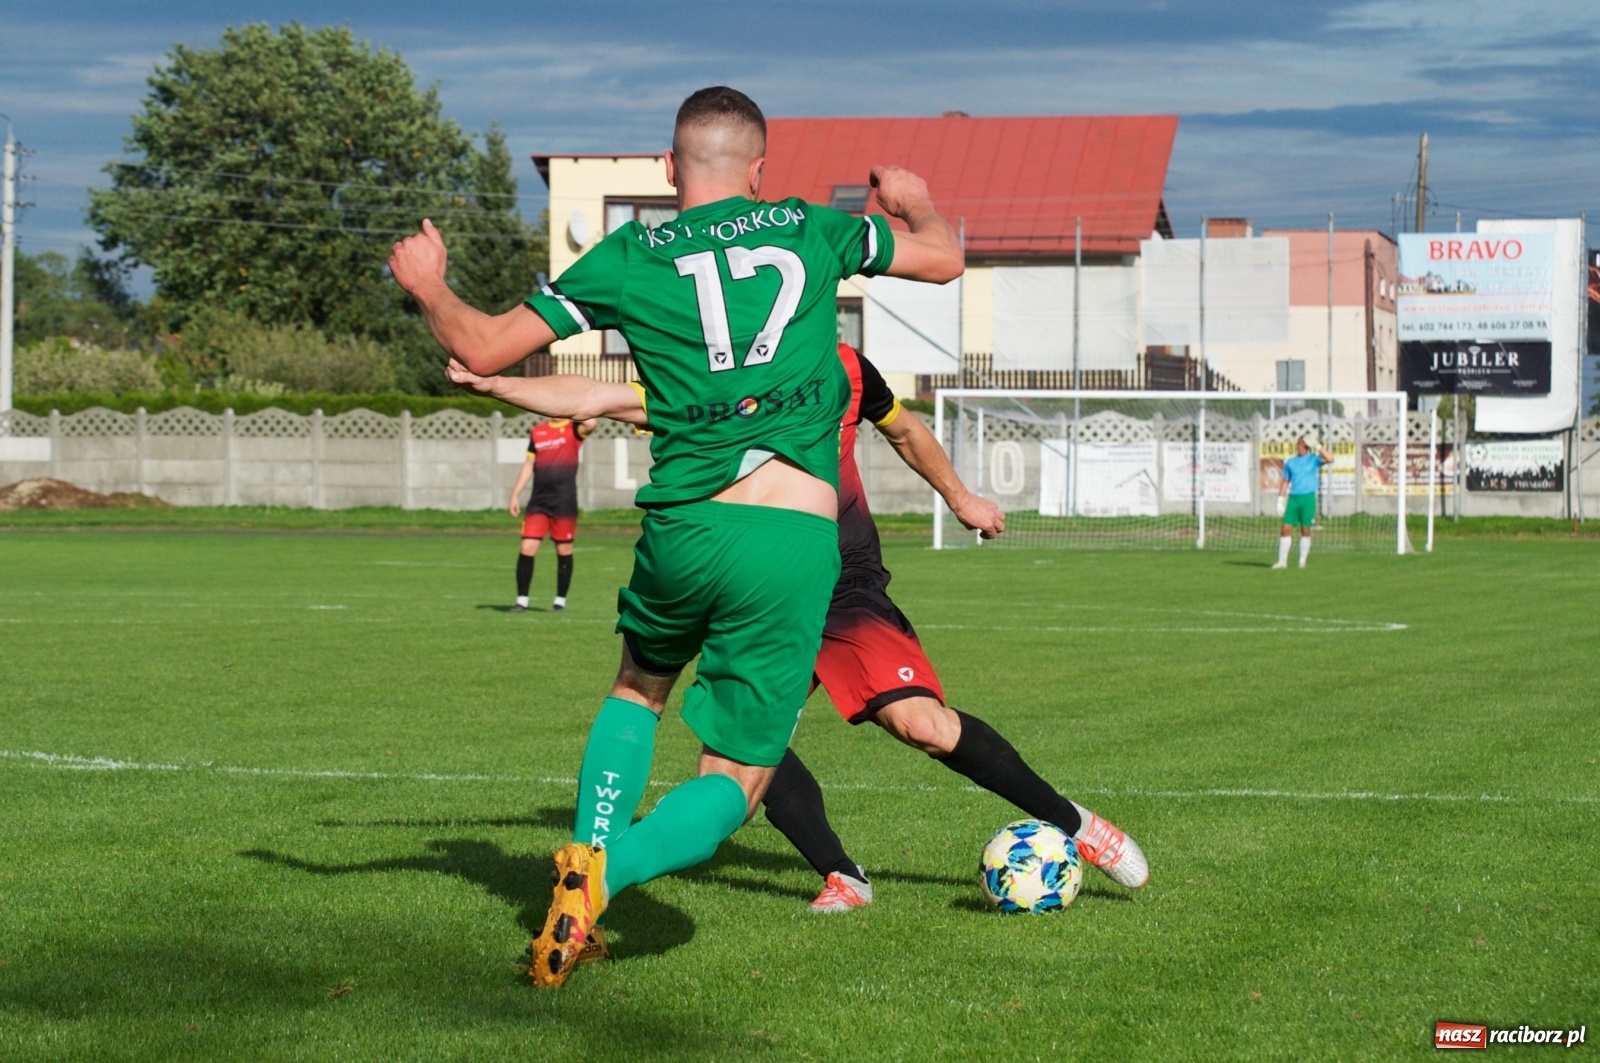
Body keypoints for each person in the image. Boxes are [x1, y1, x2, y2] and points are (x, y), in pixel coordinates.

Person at [389, 85, 963, 988]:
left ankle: (578, 881)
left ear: (668, 169)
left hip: (685, 523)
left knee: (637, 688)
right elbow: (942, 260)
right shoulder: (814, 229)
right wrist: (912, 200)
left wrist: (428, 285)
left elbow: (487, 345)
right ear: (760, 169)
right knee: (739, 773)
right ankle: (608, 875)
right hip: (792, 537)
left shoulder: (628, 254)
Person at [508, 417, 597, 612]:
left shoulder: (573, 428)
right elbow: (529, 464)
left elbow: (591, 423)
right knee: (527, 547)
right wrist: (515, 494)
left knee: (563, 550)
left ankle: (560, 600)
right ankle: (522, 600)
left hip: (563, 502)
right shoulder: (538, 431)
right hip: (538, 501)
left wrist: (575, 406)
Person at [1274, 435, 1333, 569]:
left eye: (1304, 445)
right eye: (1299, 445)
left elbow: (1330, 459)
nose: (1301, 447)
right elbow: (1285, 481)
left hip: (1308, 498)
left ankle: (1302, 561)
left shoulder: (1313, 460)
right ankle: (1282, 562)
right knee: (1285, 529)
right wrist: (1280, 499)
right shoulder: (1291, 462)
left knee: (1305, 530)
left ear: (1307, 447)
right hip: (1294, 498)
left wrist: (1318, 447)